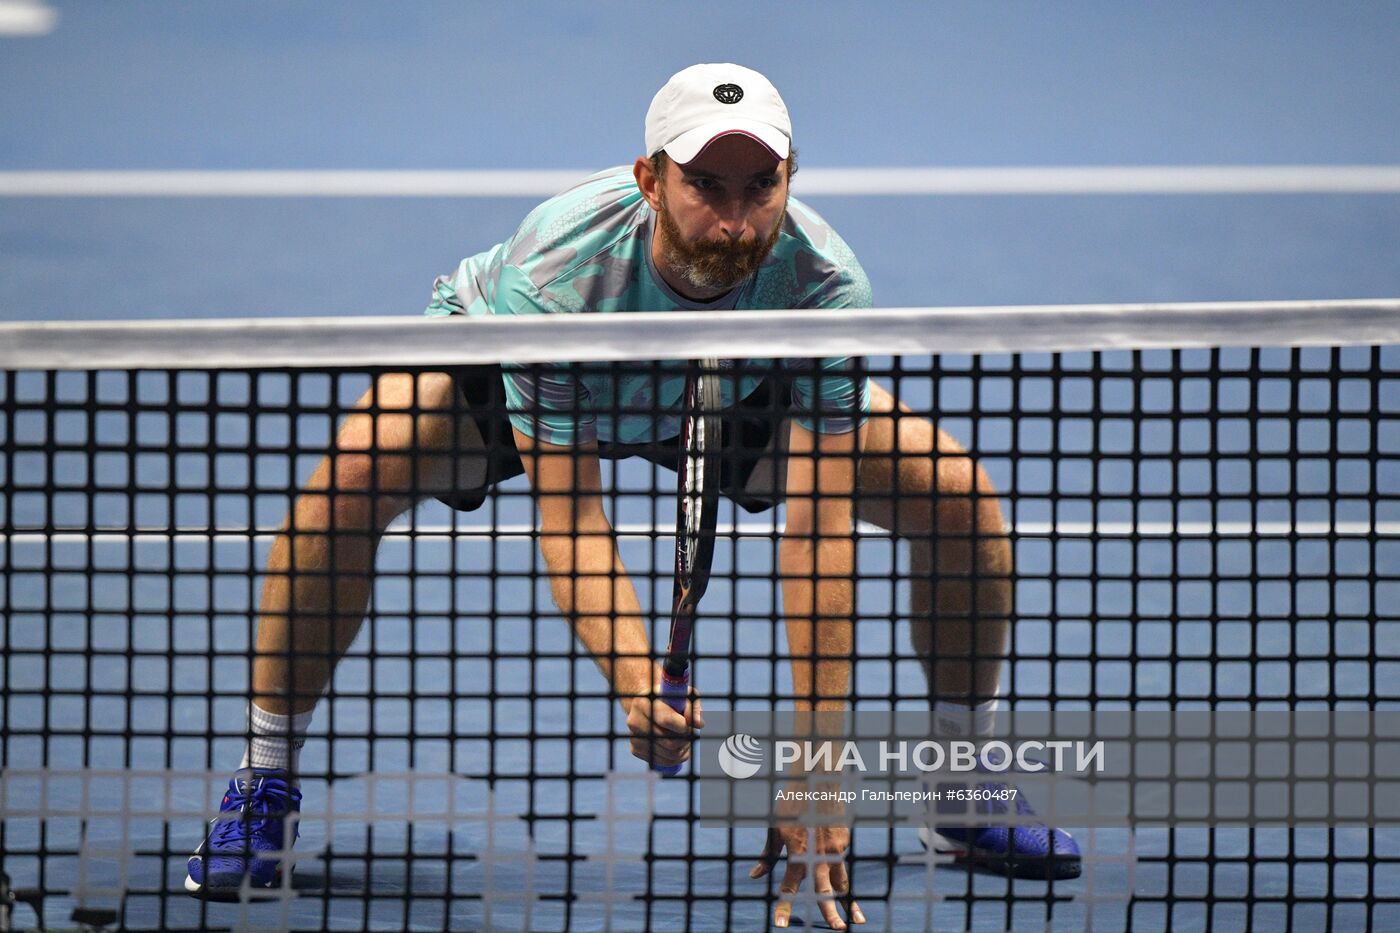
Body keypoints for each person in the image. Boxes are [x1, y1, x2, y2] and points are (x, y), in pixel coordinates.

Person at [184, 62, 1079, 927]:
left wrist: (818, 768)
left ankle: (963, 785)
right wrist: (636, 680)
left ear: (790, 179)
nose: (735, 219)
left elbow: (819, 533)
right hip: (531, 367)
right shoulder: (557, 271)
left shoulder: (823, 285)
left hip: (728, 382)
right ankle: (265, 776)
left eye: (761, 186)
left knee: (956, 496)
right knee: (350, 478)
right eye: (706, 185)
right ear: (651, 180)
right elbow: (572, 518)